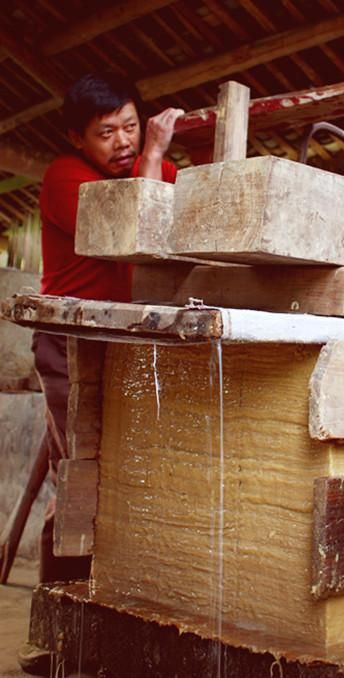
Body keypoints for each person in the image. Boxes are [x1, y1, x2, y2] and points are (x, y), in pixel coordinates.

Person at [34, 73, 184, 584]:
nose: (124, 142)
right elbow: (127, 230)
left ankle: (110, 594)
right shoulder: (63, 176)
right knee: (81, 471)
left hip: (127, 341)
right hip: (70, 342)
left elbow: (179, 229)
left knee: (125, 472)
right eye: (106, 132)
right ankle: (59, 619)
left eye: (132, 126)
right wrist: (153, 159)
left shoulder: (161, 169)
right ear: (77, 137)